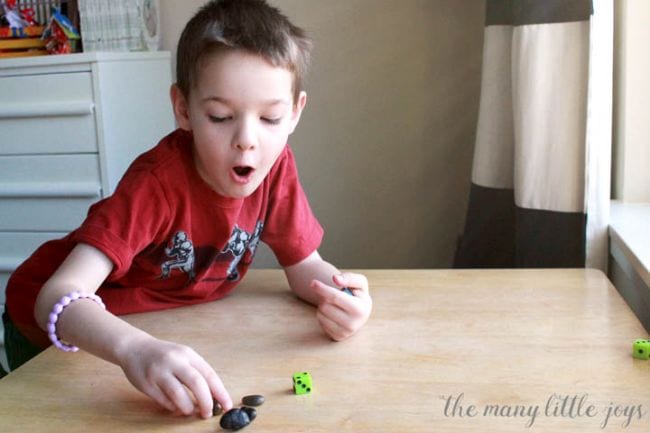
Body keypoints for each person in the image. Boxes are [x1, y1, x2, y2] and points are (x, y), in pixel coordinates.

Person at [3, 0, 372, 420]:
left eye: (270, 118)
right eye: (219, 116)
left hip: (154, 322)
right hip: (49, 327)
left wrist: (343, 297)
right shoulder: (155, 185)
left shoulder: (276, 167)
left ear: (295, 113)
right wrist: (135, 349)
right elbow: (56, 296)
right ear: (184, 109)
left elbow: (306, 268)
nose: (247, 140)